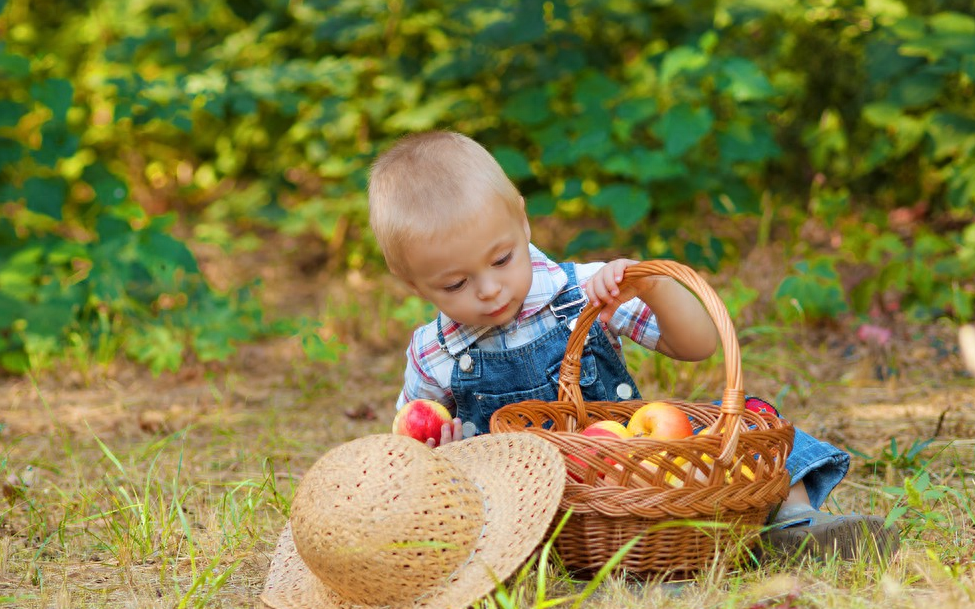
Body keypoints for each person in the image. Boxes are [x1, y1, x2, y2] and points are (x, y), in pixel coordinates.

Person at [367, 129, 899, 561]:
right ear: (413, 285)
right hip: (530, 506)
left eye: (503, 259)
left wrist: (654, 288)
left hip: (634, 476)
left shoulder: (587, 291)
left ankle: (795, 521)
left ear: (523, 222)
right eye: (455, 285)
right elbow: (405, 453)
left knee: (747, 419)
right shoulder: (432, 352)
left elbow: (696, 346)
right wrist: (439, 457)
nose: (488, 289)